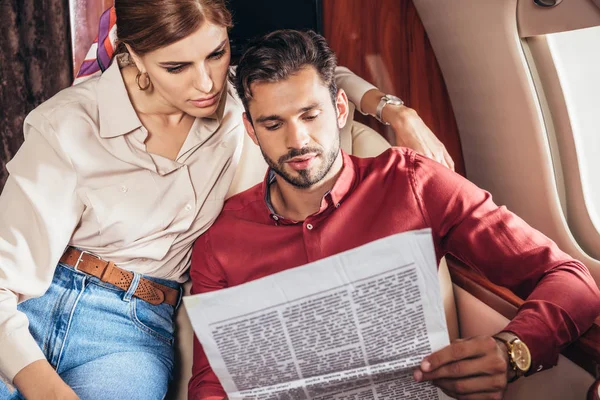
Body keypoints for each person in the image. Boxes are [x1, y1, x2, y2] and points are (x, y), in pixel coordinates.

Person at [0, 1, 453, 399]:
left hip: (134, 328)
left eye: (216, 53)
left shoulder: (244, 103)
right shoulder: (67, 123)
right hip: (33, 304)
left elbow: (321, 74)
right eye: (176, 67)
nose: (206, 84)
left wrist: (397, 111)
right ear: (132, 54)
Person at [188, 29, 600, 400]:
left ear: (341, 109)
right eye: (274, 124)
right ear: (251, 130)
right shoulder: (220, 243)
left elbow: (571, 279)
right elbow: (211, 382)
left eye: (310, 115)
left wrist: (513, 350)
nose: (298, 141)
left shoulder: (415, 183)